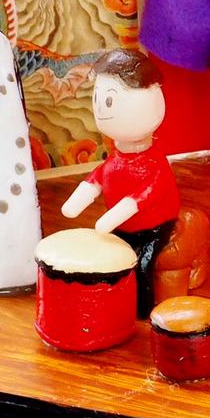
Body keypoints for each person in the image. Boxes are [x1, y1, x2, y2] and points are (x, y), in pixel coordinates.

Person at [60, 49, 179, 316]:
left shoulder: (156, 165)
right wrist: (82, 195)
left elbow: (145, 194)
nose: (102, 108)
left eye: (110, 100)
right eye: (99, 99)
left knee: (142, 265)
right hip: (120, 227)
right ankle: (111, 301)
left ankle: (142, 311)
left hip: (153, 229)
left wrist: (115, 215)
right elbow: (100, 176)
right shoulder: (115, 159)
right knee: (106, 261)